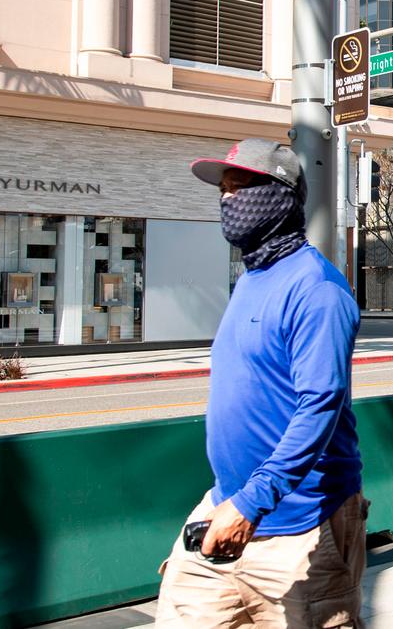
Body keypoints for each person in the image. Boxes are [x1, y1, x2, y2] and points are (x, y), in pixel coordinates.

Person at [156, 138, 366, 628]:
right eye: (223, 190)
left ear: (279, 195)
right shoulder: (252, 278)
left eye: (239, 186)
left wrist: (252, 504)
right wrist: (235, 502)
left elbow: (320, 405)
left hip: (302, 526)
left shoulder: (317, 289)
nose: (227, 200)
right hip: (224, 504)